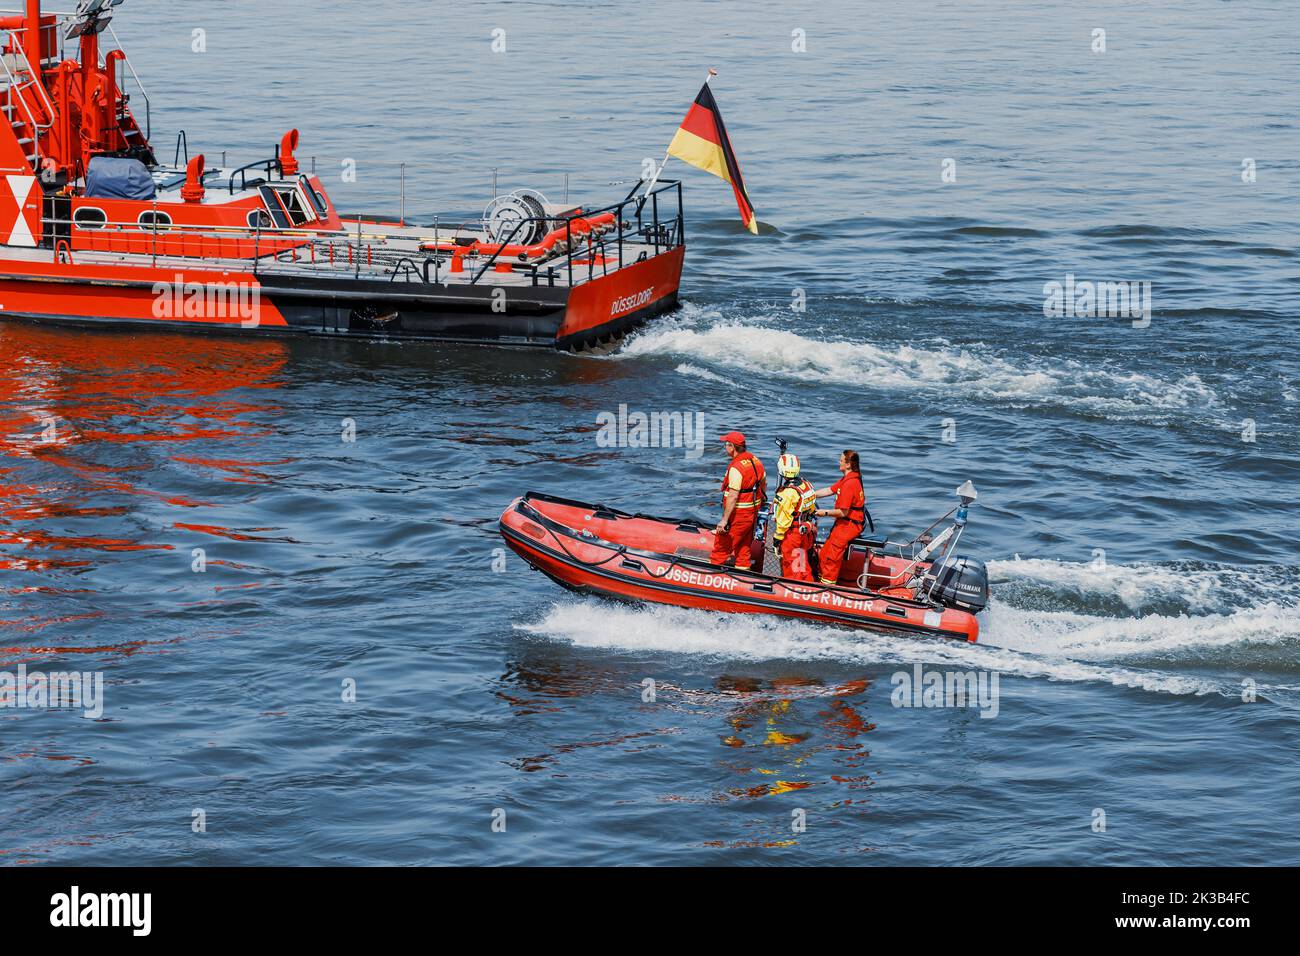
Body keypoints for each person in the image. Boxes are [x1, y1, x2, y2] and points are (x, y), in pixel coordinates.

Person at [710, 431, 767, 570]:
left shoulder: (736, 468)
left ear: (732, 447)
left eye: (726, 444)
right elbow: (763, 484)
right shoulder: (755, 460)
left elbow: (733, 496)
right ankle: (742, 571)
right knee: (744, 547)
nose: (725, 447)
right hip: (752, 512)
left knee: (722, 545)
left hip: (739, 515)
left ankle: (712, 575)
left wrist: (724, 520)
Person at [812, 449, 866, 585]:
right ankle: (821, 580)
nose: (839, 462)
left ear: (848, 464)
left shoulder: (850, 484)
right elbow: (830, 490)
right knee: (824, 554)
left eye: (841, 460)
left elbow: (843, 512)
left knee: (831, 558)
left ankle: (827, 586)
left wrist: (823, 513)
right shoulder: (848, 478)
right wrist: (809, 494)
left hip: (849, 524)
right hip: (845, 523)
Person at [771, 453, 818, 581]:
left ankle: (795, 591)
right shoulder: (805, 484)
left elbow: (784, 519)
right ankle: (809, 587)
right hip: (805, 531)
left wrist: (777, 537)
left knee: (791, 565)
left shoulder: (787, 493)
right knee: (801, 564)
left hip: (792, 533)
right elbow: (812, 508)